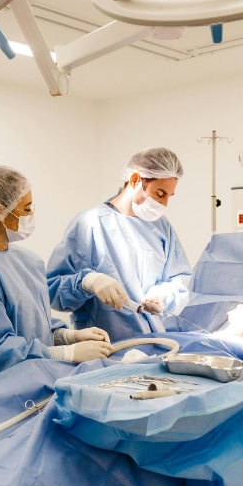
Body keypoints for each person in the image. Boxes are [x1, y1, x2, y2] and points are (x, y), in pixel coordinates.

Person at [0, 165, 112, 393]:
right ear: (0, 211)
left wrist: (69, 336)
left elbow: (32, 329)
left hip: (36, 385)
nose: (31, 215)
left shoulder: (27, 261)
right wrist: (66, 354)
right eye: (26, 209)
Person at [46, 147, 192, 342]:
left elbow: (179, 278)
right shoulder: (89, 224)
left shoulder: (161, 227)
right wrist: (88, 282)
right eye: (159, 194)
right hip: (104, 347)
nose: (164, 204)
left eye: (168, 196)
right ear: (135, 180)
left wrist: (163, 294)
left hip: (153, 343)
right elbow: (53, 290)